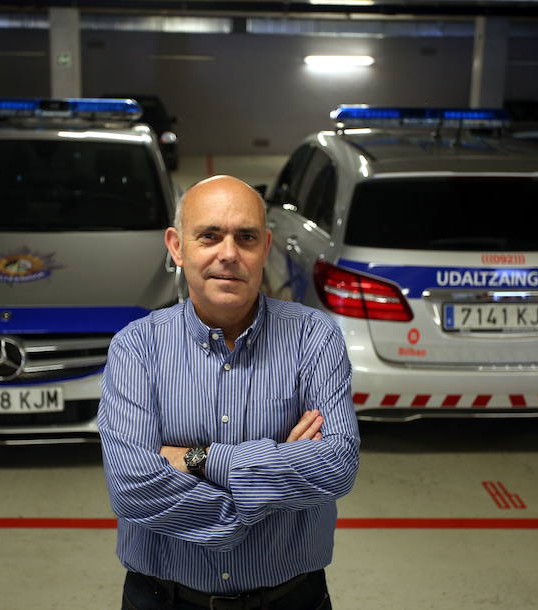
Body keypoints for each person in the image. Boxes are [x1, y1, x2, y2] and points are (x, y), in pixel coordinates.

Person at [98, 174, 360, 610]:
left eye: (246, 237)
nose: (229, 254)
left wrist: (199, 459)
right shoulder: (136, 347)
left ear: (266, 247)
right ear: (177, 246)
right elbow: (132, 486)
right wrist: (262, 497)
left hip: (292, 599)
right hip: (163, 598)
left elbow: (337, 465)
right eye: (210, 236)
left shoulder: (314, 337)